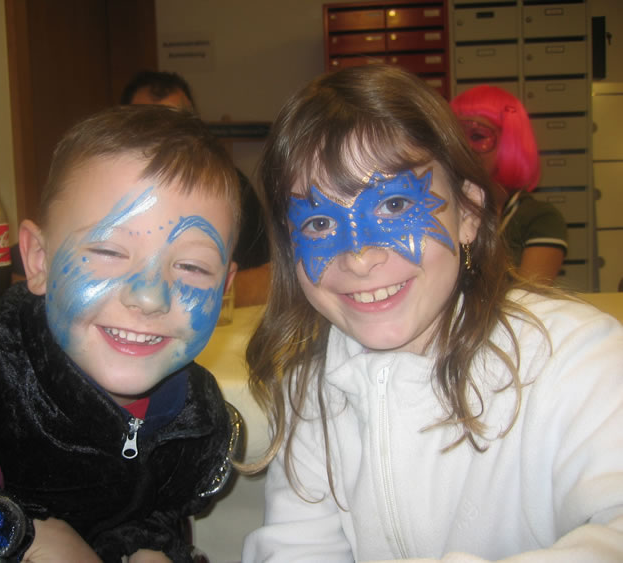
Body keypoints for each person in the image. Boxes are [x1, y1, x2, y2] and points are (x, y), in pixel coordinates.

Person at [240, 65, 623, 561]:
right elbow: (297, 548)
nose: (359, 257)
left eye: (396, 205)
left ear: (469, 214)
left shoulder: (574, 358)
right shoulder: (311, 390)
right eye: (318, 223)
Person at [0, 105, 242, 562]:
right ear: (39, 261)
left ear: (225, 288)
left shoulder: (198, 417)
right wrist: (20, 537)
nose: (150, 297)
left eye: (191, 267)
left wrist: (149, 546)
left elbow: (156, 510)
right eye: (109, 251)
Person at [122, 70, 271, 305]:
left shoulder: (230, 188)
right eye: (149, 123)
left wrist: (199, 294)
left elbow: (268, 278)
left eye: (181, 121)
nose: (168, 134)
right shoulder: (107, 197)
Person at [450, 85, 568, 284]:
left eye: (477, 136)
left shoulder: (540, 219)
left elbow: (529, 296)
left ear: (509, 142)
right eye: (458, 138)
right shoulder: (442, 209)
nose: (466, 148)